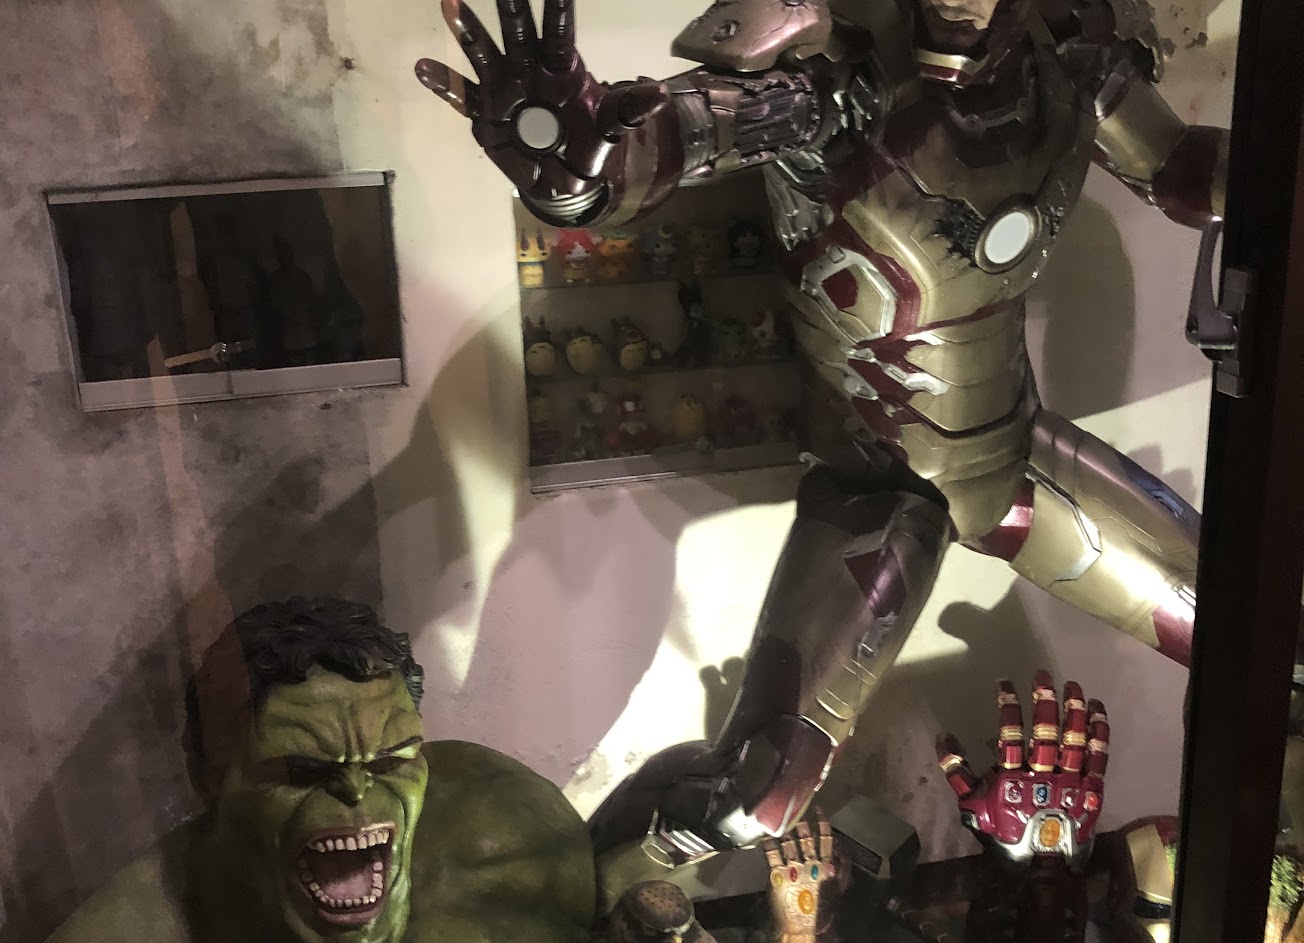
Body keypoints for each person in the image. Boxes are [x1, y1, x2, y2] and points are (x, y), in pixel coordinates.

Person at [416, 0, 1233, 880]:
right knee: (751, 795)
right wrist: (580, 163)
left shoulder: (1069, 54)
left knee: (1264, 645)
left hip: (1010, 456)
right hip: (882, 493)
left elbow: (1185, 170)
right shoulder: (835, 81)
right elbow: (673, 136)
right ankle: (587, 896)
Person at [44, 597, 696, 943]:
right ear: (208, 774)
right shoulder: (127, 931)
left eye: (391, 759)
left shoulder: (504, 832)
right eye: (304, 768)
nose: (357, 788)